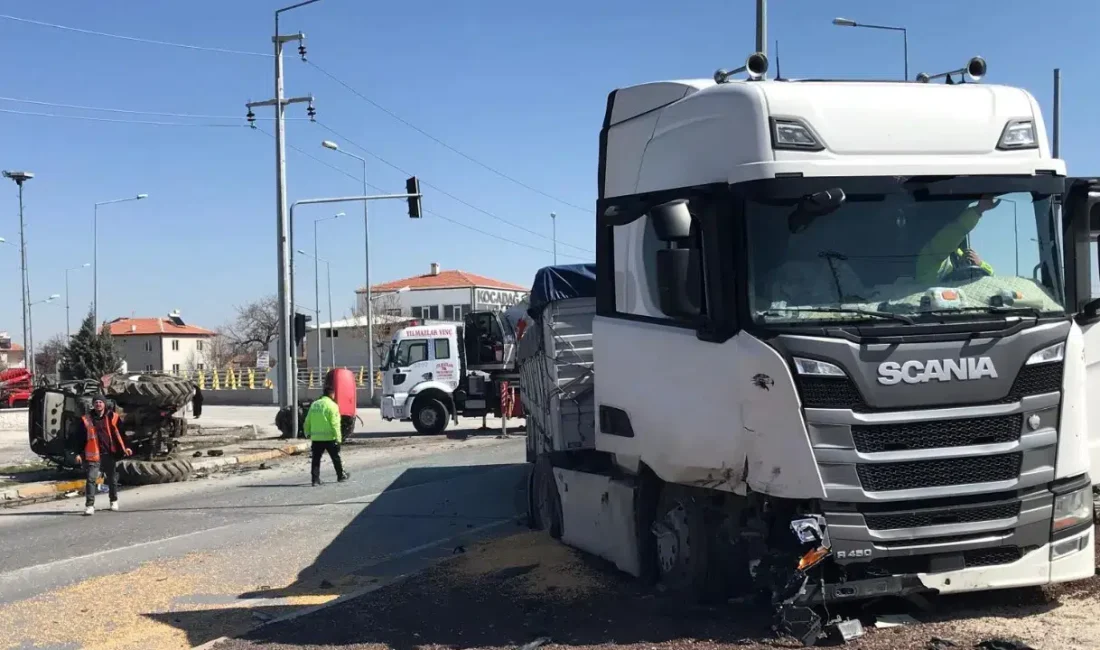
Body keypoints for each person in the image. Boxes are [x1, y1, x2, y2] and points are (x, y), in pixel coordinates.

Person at [915, 196, 999, 283]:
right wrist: (979, 209)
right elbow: (956, 232)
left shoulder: (959, 253)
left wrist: (980, 264)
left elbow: (992, 279)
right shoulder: (930, 253)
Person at [75, 395, 131, 515]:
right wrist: (78, 453)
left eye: (100, 402)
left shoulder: (113, 417)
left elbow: (121, 434)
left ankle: (113, 500)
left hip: (109, 453)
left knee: (112, 478)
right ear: (93, 405)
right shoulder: (86, 419)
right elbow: (79, 438)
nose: (98, 404)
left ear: (104, 404)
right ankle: (90, 506)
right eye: (96, 402)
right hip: (93, 455)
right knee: (91, 480)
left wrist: (126, 447)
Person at [304, 375, 349, 486]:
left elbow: (307, 420)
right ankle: (340, 475)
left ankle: (315, 479)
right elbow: (335, 423)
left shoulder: (315, 404)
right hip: (329, 437)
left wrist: (307, 432)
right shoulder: (332, 405)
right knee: (335, 457)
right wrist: (338, 438)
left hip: (316, 438)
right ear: (332, 394)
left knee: (316, 459)